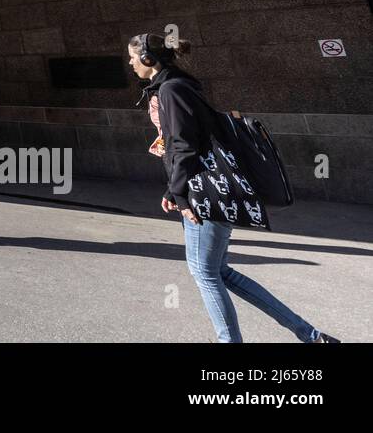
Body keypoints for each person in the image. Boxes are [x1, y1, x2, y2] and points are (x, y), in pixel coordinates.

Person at [128, 33, 337, 343]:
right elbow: (182, 144)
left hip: (205, 194)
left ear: (148, 59)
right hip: (207, 190)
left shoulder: (172, 90)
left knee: (205, 274)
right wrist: (172, 190)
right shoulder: (179, 85)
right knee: (219, 272)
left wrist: (180, 193)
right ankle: (311, 336)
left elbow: (185, 145)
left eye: (133, 57)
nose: (131, 63)